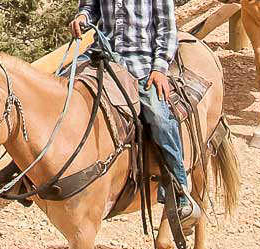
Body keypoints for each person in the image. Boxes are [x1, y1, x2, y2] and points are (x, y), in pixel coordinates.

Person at [71, 0, 201, 229]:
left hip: (141, 64)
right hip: (102, 55)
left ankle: (179, 190)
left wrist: (160, 68)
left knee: (160, 119)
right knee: (59, 87)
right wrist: (83, 18)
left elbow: (166, 28)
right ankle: (27, 171)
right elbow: (90, 7)